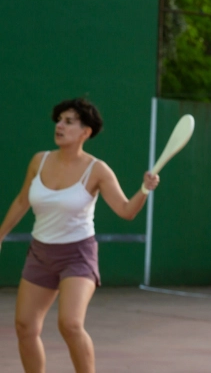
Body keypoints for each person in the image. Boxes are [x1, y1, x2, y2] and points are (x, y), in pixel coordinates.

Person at [0, 98, 160, 373]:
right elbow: (21, 200)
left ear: (85, 132)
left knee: (70, 324)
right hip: (40, 253)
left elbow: (125, 210)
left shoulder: (97, 169)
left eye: (69, 121)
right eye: (59, 120)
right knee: (25, 326)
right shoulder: (39, 161)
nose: (60, 126)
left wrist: (144, 190)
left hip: (78, 255)